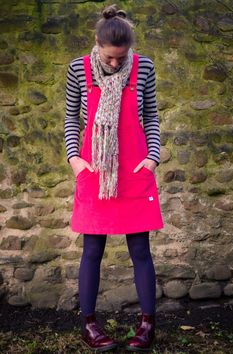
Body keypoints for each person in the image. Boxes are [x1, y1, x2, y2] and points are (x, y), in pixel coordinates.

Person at [64, 4, 164, 352]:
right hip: (94, 170)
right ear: (97, 43)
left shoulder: (145, 66)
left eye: (120, 58)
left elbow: (151, 115)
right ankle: (89, 325)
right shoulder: (78, 69)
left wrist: (152, 158)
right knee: (92, 250)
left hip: (135, 170)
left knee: (140, 249)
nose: (114, 64)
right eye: (109, 58)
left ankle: (147, 325)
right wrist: (75, 159)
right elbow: (71, 120)